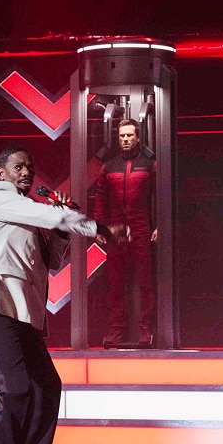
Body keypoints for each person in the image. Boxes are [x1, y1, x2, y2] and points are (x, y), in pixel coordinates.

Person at [0, 146, 128, 444]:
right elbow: (47, 216)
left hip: (21, 312)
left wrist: (63, 227)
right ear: (1, 173)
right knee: (15, 391)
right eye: (18, 166)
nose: (26, 172)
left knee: (47, 386)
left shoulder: (26, 210)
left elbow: (51, 262)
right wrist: (95, 227)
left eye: (30, 167)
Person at [93, 118, 157, 347]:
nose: (126, 139)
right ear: (117, 139)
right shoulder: (109, 167)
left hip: (141, 228)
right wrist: (99, 227)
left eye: (130, 135)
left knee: (146, 282)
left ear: (137, 137)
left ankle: (145, 329)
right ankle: (116, 330)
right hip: (116, 230)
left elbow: (159, 195)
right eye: (122, 136)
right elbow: (100, 198)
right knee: (116, 283)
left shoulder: (149, 165)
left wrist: (159, 225)